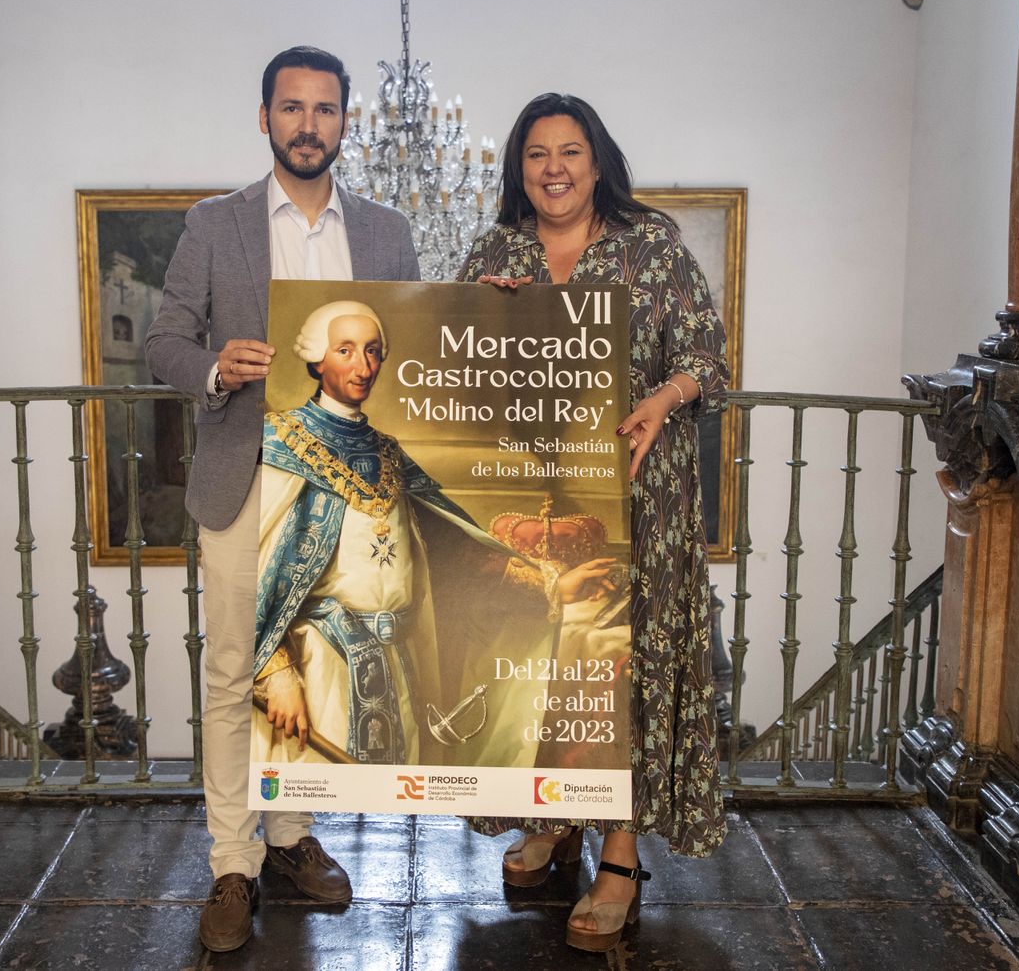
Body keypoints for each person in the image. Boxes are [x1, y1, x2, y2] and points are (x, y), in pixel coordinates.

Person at [144, 46, 419, 955]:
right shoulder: (213, 224)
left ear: (346, 122)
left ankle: (291, 841)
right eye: (292, 108)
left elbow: (413, 347)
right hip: (245, 480)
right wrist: (217, 366)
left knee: (307, 663)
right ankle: (233, 863)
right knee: (236, 673)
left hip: (344, 486)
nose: (309, 124)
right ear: (264, 117)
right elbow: (163, 343)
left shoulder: (385, 232)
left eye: (326, 109)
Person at [459, 93, 730, 952]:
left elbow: (706, 358)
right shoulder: (496, 250)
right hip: (537, 494)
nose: (554, 168)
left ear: (597, 159)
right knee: (548, 653)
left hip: (642, 498)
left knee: (627, 664)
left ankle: (619, 850)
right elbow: (457, 367)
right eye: (536, 154)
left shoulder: (651, 244)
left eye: (569, 151)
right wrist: (479, 312)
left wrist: (664, 395)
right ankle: (557, 817)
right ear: (520, 170)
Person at [252, 300, 619, 768]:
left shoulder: (388, 453)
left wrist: (552, 586)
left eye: (373, 351)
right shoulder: (284, 444)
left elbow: (457, 556)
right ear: (316, 358)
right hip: (324, 664)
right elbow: (263, 576)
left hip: (400, 666)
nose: (363, 366)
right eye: (345, 351)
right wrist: (279, 675)